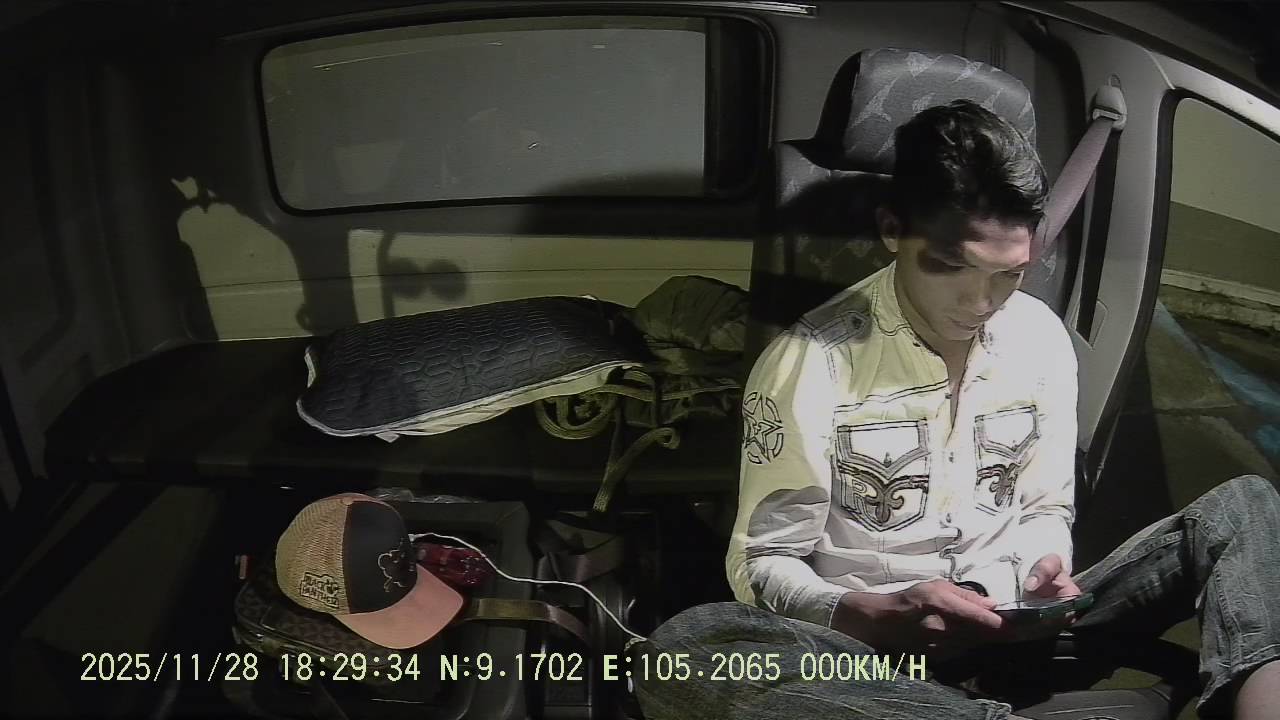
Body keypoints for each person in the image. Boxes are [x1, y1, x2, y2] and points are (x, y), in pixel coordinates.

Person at [632, 100, 1280, 720]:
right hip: (873, 660)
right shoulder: (809, 362)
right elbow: (761, 563)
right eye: (950, 267)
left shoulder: (1040, 339)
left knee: (1245, 506)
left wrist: (1044, 567)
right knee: (685, 652)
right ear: (892, 230)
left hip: (1015, 628)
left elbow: (1045, 508)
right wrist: (869, 614)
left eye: (1009, 274)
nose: (980, 303)